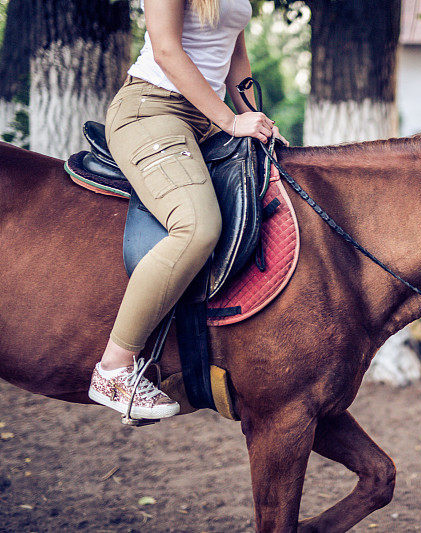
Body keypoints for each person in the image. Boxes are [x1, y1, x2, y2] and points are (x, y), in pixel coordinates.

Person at [88, 0, 284, 419]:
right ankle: (114, 367)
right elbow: (166, 49)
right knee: (196, 227)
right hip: (152, 108)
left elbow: (237, 58)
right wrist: (232, 122)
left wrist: (256, 119)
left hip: (206, 119)